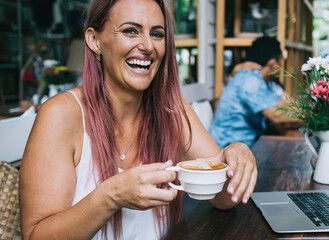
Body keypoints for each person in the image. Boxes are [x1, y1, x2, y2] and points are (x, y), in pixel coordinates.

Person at [19, 0, 257, 239]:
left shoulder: (171, 110)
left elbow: (222, 197)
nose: (147, 45)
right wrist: (110, 196)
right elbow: (35, 236)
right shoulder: (61, 114)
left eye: (157, 34)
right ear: (95, 40)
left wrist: (237, 156)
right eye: (130, 31)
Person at [209, 36, 299, 149]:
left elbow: (286, 103)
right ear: (272, 63)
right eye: (280, 60)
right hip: (224, 150)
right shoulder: (249, 80)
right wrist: (314, 115)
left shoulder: (267, 83)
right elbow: (276, 115)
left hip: (245, 147)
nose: (282, 65)